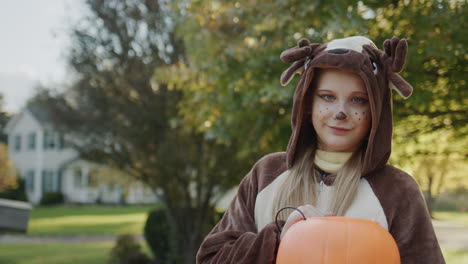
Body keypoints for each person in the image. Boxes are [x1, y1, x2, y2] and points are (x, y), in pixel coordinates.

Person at [196, 36, 445, 263]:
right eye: (327, 96)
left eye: (358, 100)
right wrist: (278, 239)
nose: (340, 112)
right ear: (308, 102)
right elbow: (211, 258)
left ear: (375, 112)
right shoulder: (266, 175)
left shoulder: (397, 191)